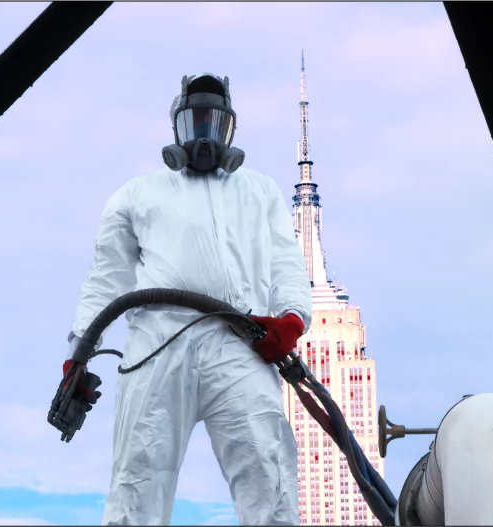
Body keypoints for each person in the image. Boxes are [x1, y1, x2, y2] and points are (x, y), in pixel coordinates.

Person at [62, 73, 312, 526]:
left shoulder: (260, 192)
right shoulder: (137, 195)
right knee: (137, 481)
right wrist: (80, 351)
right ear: (177, 126)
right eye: (195, 122)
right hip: (159, 345)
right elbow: (107, 277)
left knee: (268, 470)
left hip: (239, 345)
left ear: (229, 128)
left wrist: (292, 318)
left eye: (213, 123)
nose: (204, 135)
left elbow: (285, 262)